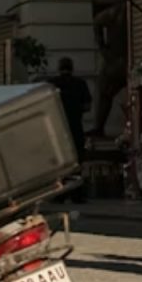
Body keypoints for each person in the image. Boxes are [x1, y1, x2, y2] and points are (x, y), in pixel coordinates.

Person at [52, 57, 93, 204]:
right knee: (76, 162)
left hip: (58, 129)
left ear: (59, 67)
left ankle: (59, 193)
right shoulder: (80, 83)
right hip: (75, 128)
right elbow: (87, 106)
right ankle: (77, 194)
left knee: (60, 163)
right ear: (72, 68)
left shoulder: (53, 84)